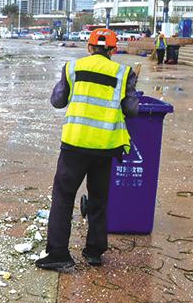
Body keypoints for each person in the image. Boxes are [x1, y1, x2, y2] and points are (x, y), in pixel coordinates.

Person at [36, 29, 139, 270]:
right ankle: (94, 252)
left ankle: (59, 254)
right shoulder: (124, 73)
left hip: (75, 144)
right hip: (105, 146)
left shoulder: (72, 68)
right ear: (113, 51)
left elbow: (57, 101)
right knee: (99, 197)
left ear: (89, 47)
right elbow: (131, 110)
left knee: (63, 197)